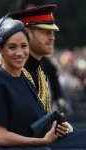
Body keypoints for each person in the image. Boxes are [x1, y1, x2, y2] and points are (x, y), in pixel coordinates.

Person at [0, 14, 69, 150]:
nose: (20, 53)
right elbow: (0, 138)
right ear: (0, 49)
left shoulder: (23, 77)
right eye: (12, 47)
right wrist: (42, 142)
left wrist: (55, 127)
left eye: (24, 46)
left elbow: (36, 121)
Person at [8, 4, 86, 149]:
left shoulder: (39, 66)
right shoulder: (14, 73)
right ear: (26, 33)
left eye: (52, 32)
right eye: (45, 32)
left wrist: (57, 126)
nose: (52, 38)